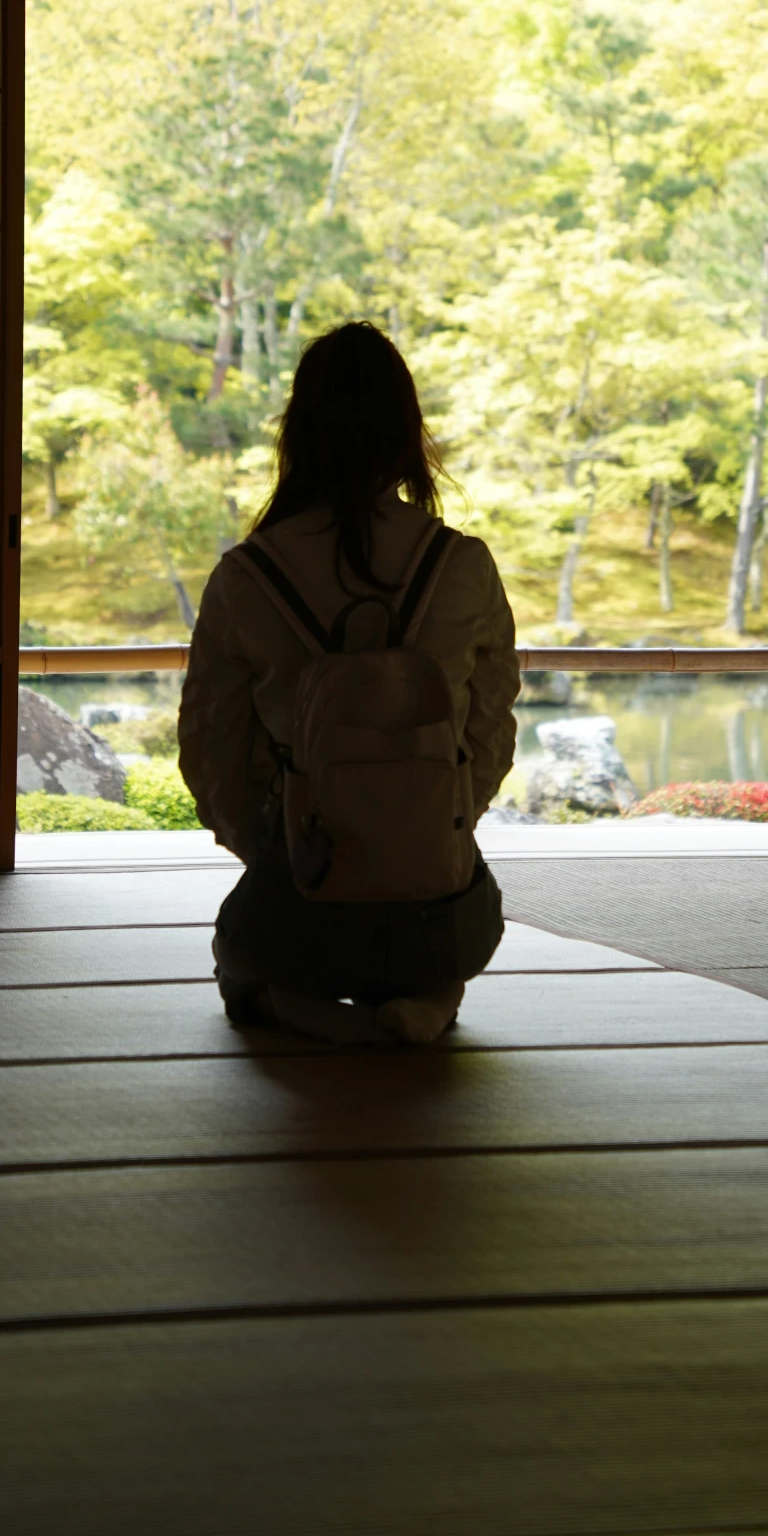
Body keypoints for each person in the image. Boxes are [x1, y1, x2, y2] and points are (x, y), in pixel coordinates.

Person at [178, 321, 518, 1046]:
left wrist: (285, 847)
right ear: (406, 435)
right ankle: (426, 1002)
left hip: (302, 909)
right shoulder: (462, 566)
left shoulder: (247, 577)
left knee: (239, 966)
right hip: (446, 916)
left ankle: (306, 1012)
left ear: (297, 435)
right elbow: (490, 736)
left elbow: (210, 756)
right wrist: (427, 825)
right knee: (432, 946)